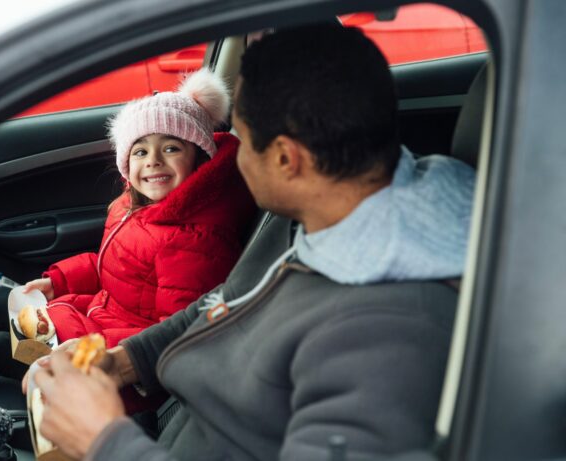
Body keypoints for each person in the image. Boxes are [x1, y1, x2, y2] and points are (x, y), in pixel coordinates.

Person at [28, 23, 477, 460]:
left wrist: (104, 440)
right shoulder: (313, 219)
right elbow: (229, 301)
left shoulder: (390, 340)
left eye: (242, 141)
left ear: (286, 158)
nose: (233, 156)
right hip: (174, 420)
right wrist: (125, 360)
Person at [0, 69, 255, 382]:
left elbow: (173, 336)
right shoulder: (133, 209)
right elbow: (113, 272)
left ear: (200, 158)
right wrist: (59, 283)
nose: (153, 160)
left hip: (104, 364)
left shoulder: (194, 240)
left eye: (171, 148)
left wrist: (101, 353)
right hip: (90, 321)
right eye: (140, 151)